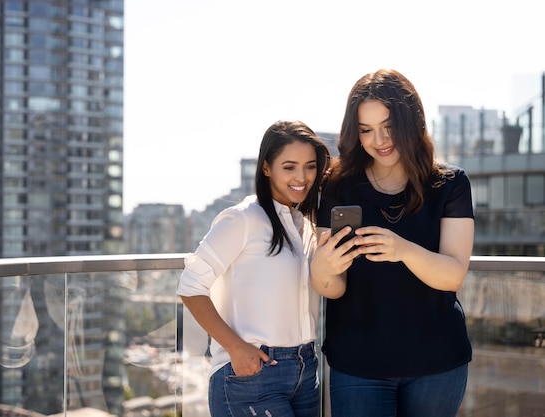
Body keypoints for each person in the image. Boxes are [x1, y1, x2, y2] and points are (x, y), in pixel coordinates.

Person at [310, 69, 474, 417]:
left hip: (438, 362)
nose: (379, 140)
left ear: (411, 122)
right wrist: (322, 268)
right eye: (366, 130)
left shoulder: (451, 184)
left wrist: (402, 250)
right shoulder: (338, 187)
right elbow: (333, 288)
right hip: (357, 363)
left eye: (388, 126)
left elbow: (453, 275)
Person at [177, 120, 330, 417]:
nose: (302, 177)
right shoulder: (243, 218)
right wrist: (235, 347)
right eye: (289, 167)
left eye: (310, 166)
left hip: (306, 370)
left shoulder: (308, 226)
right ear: (266, 168)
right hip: (252, 374)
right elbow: (190, 286)